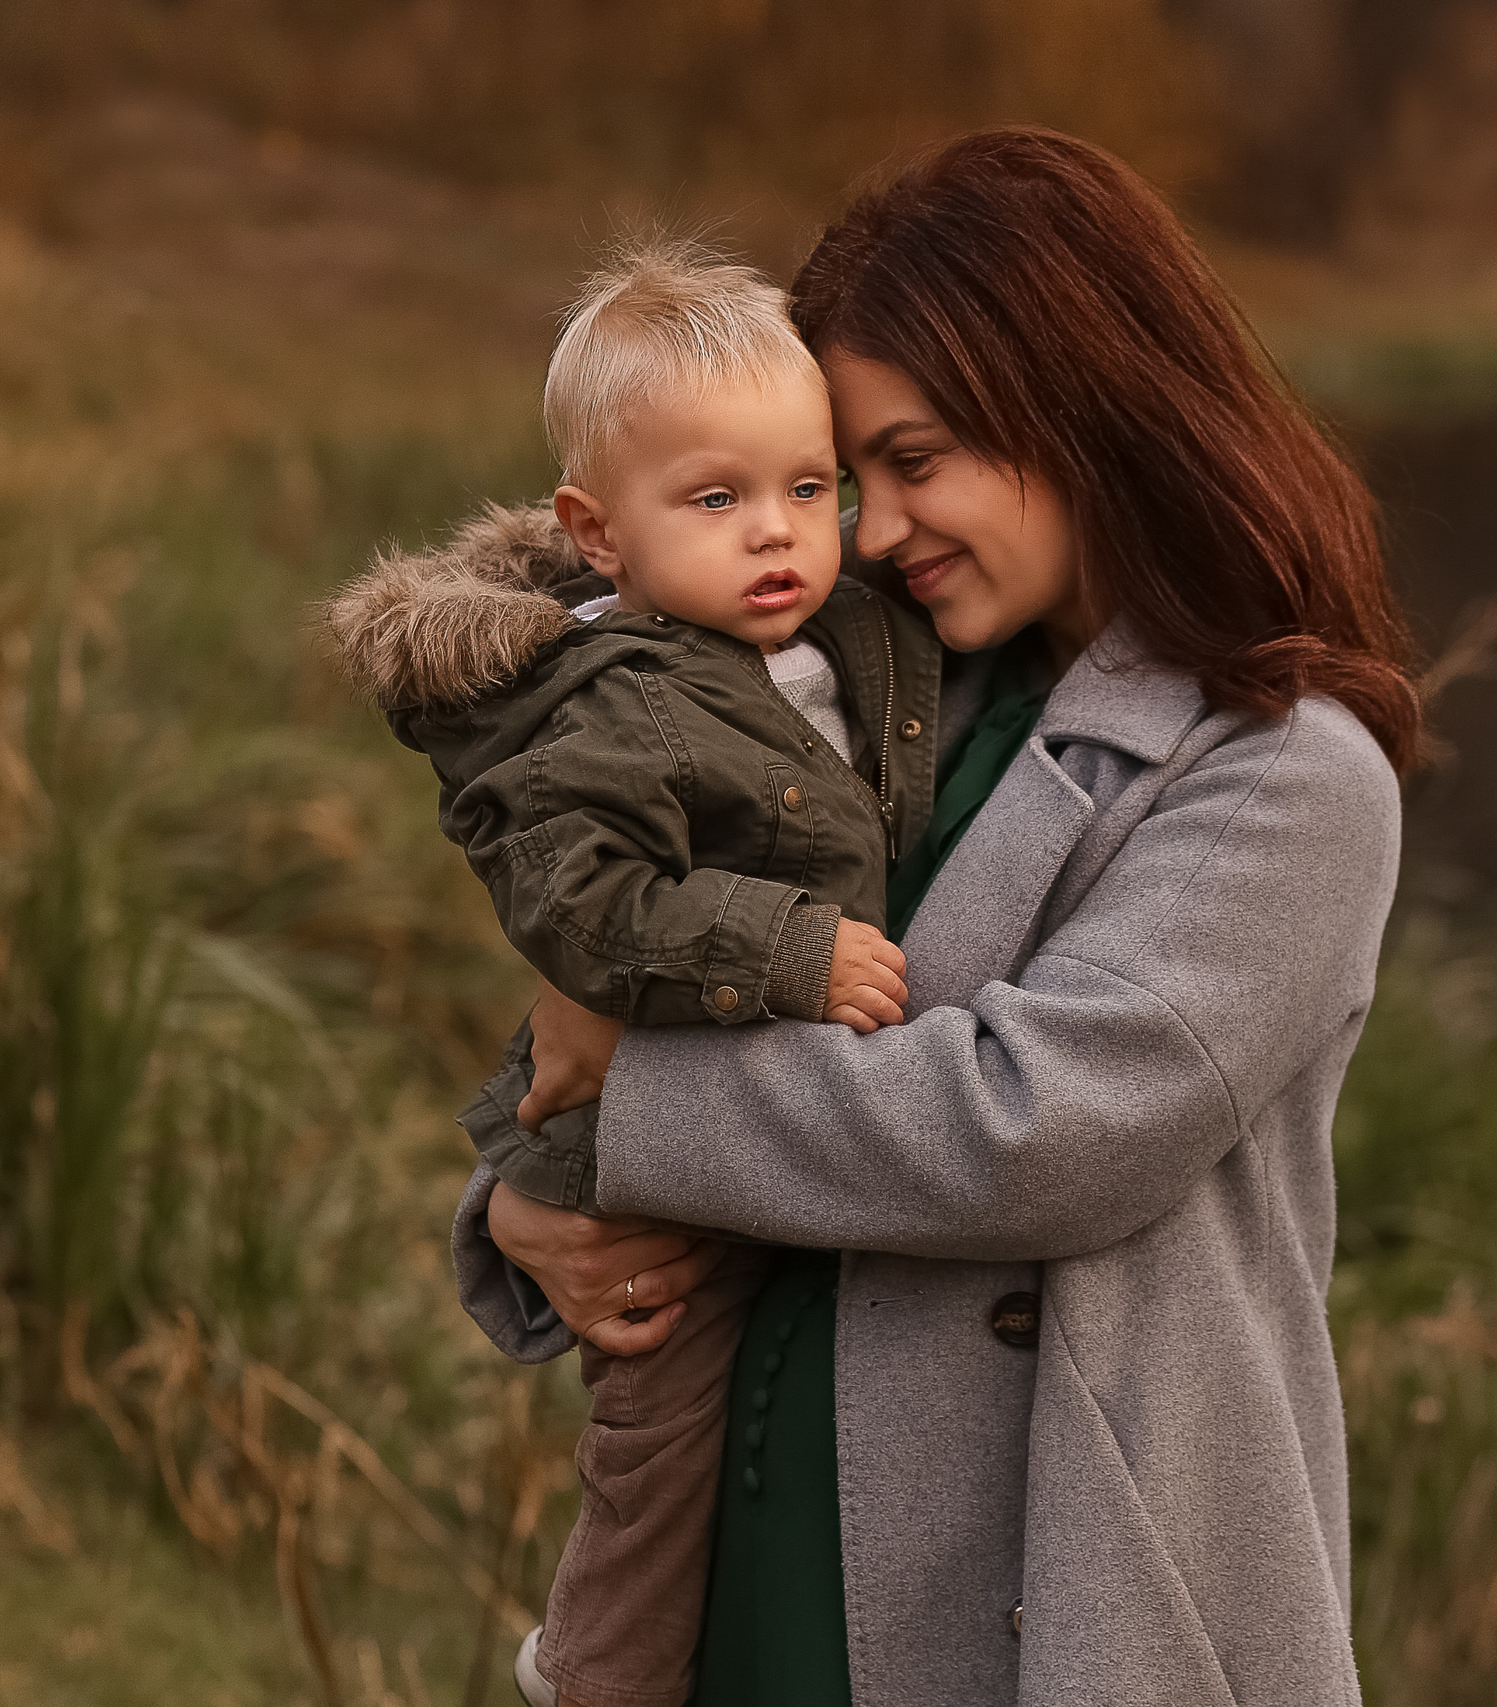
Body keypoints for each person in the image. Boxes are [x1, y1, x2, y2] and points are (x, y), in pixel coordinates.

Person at [450, 128, 1424, 1706]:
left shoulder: (1289, 771)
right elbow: (691, 963)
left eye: (918, 461)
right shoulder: (887, 698)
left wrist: (628, 1106)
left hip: (1061, 1601)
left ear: (1083, 404)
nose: (876, 530)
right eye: (855, 478)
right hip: (757, 1565)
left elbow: (1031, 1129)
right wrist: (527, 1192)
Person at [324, 238, 938, 1707]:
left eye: (810, 488)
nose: (777, 533)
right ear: (596, 535)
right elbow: (582, 905)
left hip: (764, 1124)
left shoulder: (838, 634)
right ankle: (596, 1680)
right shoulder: (619, 706)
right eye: (715, 500)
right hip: (645, 1156)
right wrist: (783, 950)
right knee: (657, 1451)